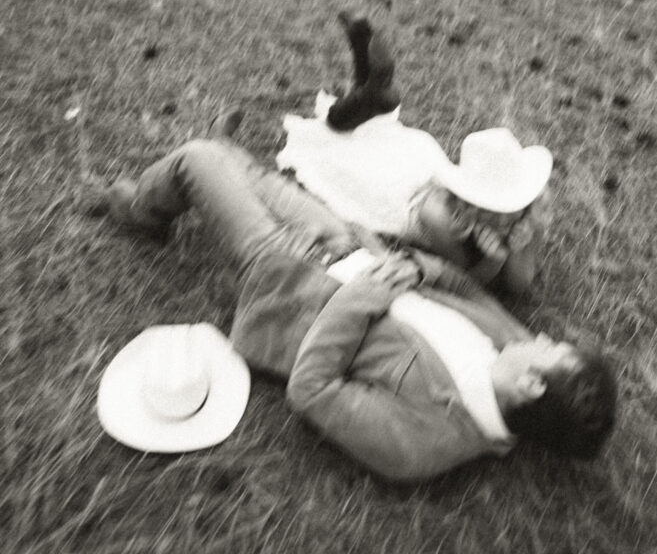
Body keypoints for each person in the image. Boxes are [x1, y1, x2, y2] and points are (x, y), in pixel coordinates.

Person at [86, 118, 616, 482]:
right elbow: (466, 287)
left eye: (551, 350)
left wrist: (364, 295)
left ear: (530, 385)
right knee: (250, 175)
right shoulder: (514, 345)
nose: (541, 336)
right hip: (346, 244)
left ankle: (140, 211)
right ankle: (225, 167)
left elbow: (312, 389)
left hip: (289, 279)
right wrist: (416, 265)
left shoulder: (423, 444)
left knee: (195, 160)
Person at [277, 15, 553, 297]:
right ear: (480, 204)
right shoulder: (442, 217)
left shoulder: (529, 204)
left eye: (515, 206)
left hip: (420, 161)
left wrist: (530, 236)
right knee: (336, 143)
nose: (512, 217)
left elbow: (522, 284)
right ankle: (367, 85)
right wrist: (494, 262)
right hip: (393, 187)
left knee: (359, 132)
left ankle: (369, 87)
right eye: (505, 209)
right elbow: (462, 282)